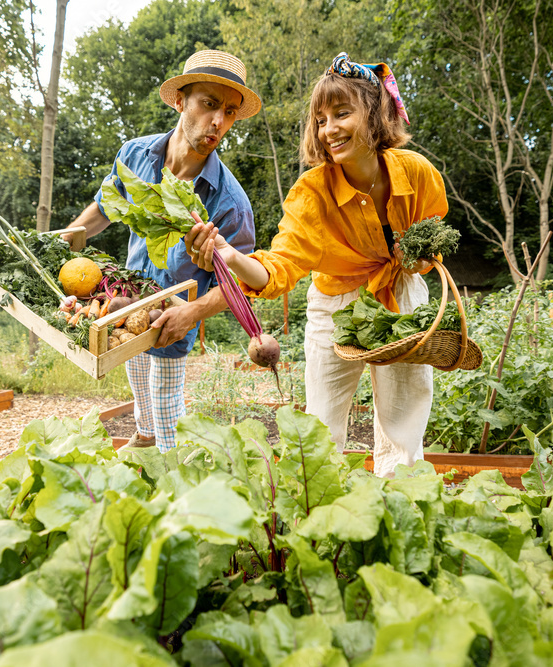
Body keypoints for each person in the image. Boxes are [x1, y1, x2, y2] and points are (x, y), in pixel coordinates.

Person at [185, 52, 448, 476]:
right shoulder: (312, 193)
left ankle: (401, 502)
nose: (329, 129)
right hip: (335, 304)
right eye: (321, 119)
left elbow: (432, 236)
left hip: (400, 295)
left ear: (376, 113)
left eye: (342, 113)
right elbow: (278, 267)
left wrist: (417, 261)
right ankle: (320, 509)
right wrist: (231, 256)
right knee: (321, 425)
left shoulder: (417, 173)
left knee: (404, 418)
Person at [63, 49, 261, 452]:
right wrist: (61, 243)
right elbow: (104, 209)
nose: (219, 122)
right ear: (179, 101)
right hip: (128, 304)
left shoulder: (229, 201)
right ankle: (144, 451)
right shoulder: (136, 155)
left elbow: (243, 281)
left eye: (229, 111)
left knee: (167, 413)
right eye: (208, 105)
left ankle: (177, 489)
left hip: (174, 318)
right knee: (143, 408)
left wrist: (193, 312)